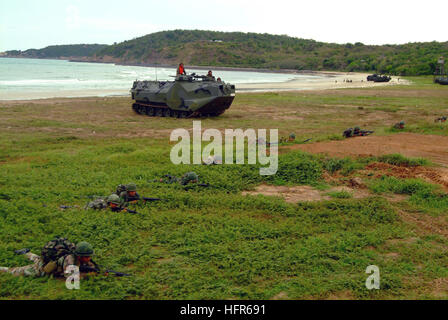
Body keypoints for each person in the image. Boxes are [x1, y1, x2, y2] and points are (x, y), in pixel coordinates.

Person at [0, 239, 97, 278]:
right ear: (79, 256)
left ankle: (26, 253)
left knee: (37, 259)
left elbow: (90, 266)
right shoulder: (70, 261)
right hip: (42, 269)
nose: (89, 259)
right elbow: (71, 278)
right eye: (87, 257)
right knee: (16, 271)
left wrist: (95, 270)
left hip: (48, 261)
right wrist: (88, 275)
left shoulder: (79, 257)